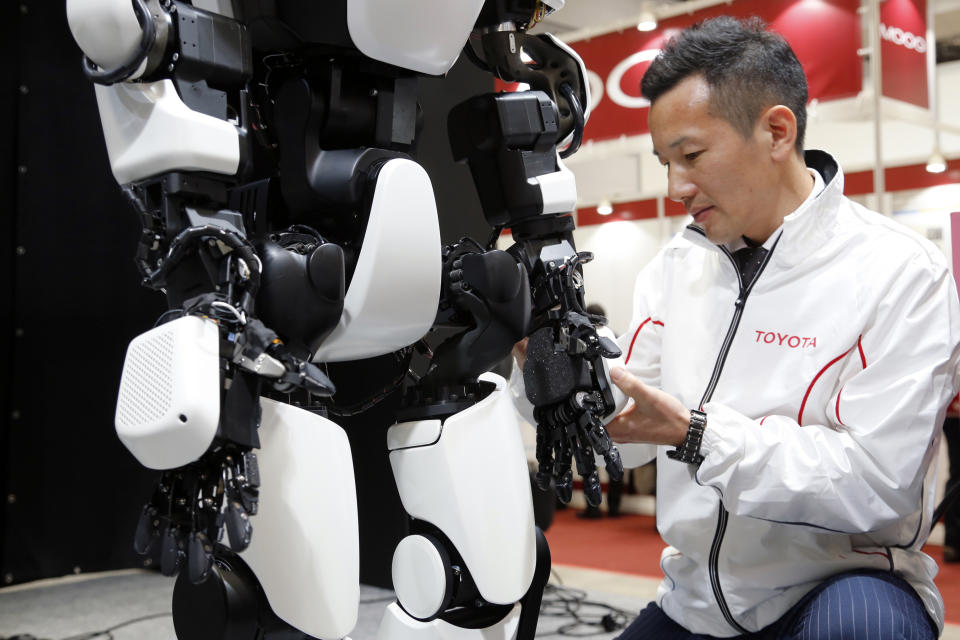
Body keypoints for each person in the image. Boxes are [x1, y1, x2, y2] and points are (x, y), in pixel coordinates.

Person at [516, 16, 960, 639]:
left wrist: (700, 436)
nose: (675, 186)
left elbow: (876, 484)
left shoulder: (901, 272)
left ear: (777, 131)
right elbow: (631, 428)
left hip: (843, 587)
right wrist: (542, 370)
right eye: (665, 162)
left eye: (691, 155)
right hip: (695, 602)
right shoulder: (673, 267)